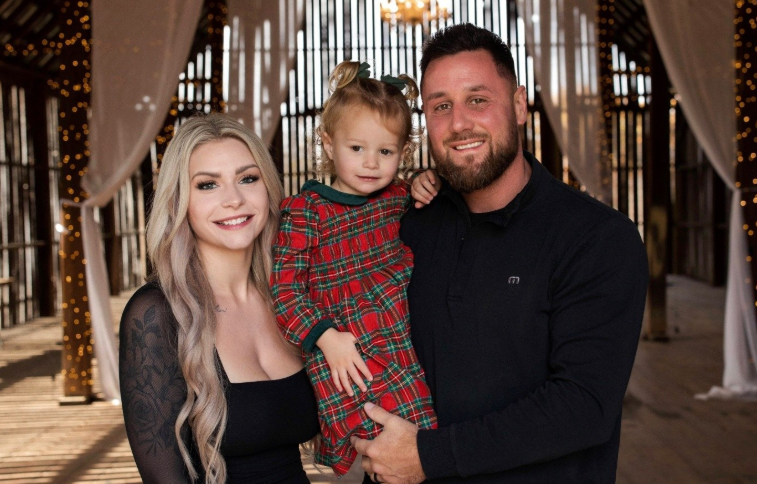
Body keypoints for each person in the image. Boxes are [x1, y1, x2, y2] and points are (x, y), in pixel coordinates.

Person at [351, 23, 649, 484]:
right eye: (441, 106)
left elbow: (584, 407)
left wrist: (429, 456)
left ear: (519, 104)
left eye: (477, 100)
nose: (458, 124)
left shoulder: (598, 239)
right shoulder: (406, 222)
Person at [119, 114, 320, 484]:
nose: (234, 200)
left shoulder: (292, 298)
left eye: (248, 178)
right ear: (179, 202)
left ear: (268, 187)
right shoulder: (158, 314)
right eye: (208, 185)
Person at [271, 61, 439, 477]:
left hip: (399, 340)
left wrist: (427, 181)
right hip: (347, 349)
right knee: (376, 445)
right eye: (356, 148)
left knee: (422, 440)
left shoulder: (397, 197)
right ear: (329, 145)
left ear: (403, 152)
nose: (370, 164)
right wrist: (327, 338)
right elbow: (285, 292)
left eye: (385, 152)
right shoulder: (306, 211)